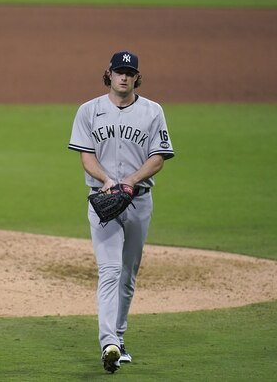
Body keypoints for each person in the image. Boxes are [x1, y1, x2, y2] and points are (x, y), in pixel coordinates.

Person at [68, 51, 175, 373]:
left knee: (128, 275)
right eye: (119, 72)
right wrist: (109, 182)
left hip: (140, 201)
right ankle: (108, 342)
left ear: (136, 76)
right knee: (110, 271)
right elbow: (86, 157)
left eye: (130, 72)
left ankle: (120, 336)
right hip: (104, 203)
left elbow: (159, 157)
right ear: (109, 74)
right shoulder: (89, 110)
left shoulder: (152, 112)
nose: (124, 77)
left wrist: (129, 182)